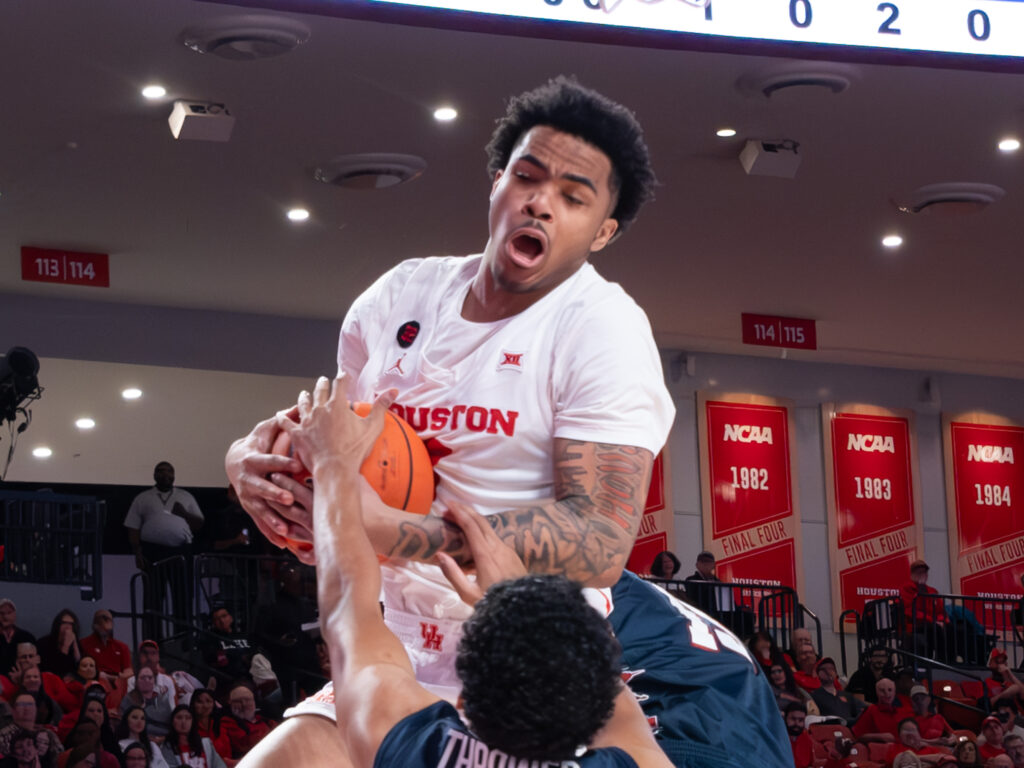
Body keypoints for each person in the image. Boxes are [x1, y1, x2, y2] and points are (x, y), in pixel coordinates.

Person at [267, 381, 674, 768]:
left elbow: (347, 606)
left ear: (461, 699)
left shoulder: (417, 749)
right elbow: (615, 702)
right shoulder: (632, 754)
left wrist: (333, 462)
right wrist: (517, 606)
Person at [900, 560, 948, 659]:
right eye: (919, 572)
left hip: (931, 624)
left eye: (924, 572)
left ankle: (949, 662)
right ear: (913, 574)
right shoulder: (907, 589)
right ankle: (941, 662)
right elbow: (911, 611)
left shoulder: (932, 591)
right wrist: (933, 621)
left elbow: (941, 611)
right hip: (915, 625)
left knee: (951, 628)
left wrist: (942, 620)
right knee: (935, 628)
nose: (922, 575)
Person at [159, 706, 225, 768]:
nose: (183, 722)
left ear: (193, 722)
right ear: (172, 722)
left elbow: (219, 765)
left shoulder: (206, 743)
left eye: (188, 718)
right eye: (179, 718)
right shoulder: (167, 747)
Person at [79, 612, 132, 687]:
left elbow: (128, 670)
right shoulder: (83, 644)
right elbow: (81, 669)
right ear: (94, 624)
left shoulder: (122, 646)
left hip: (118, 682)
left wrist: (118, 678)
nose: (104, 622)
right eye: (101, 619)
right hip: (95, 682)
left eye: (107, 619)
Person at [853, 678, 914, 743]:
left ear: (894, 692)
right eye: (882, 690)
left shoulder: (902, 711)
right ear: (877, 692)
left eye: (890, 690)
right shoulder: (872, 710)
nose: (887, 694)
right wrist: (880, 737)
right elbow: (858, 738)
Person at [119, 668, 172, 739]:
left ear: (154, 681)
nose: (146, 680)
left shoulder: (162, 700)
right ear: (136, 681)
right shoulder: (129, 700)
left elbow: (169, 725)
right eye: (142, 678)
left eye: (150, 678)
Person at [811, 657, 866, 724]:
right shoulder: (814, 696)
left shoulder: (847, 695)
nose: (828, 671)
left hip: (848, 729)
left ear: (836, 673)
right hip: (829, 730)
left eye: (831, 668)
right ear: (818, 674)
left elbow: (863, 709)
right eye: (824, 669)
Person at [125, 642, 175, 713]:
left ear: (158, 657)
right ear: (139, 658)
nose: (149, 657)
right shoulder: (132, 680)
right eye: (145, 653)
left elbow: (172, 708)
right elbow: (133, 708)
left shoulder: (167, 680)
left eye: (153, 653)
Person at [881, 718, 955, 766]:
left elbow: (942, 759)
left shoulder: (930, 749)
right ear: (900, 736)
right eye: (905, 730)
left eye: (912, 730)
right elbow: (892, 762)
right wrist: (929, 758)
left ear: (919, 734)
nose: (909, 733)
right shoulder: (894, 748)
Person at [187, 690, 232, 767]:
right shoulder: (188, 727)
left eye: (208, 701)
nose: (205, 705)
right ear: (193, 704)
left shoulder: (222, 725)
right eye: (200, 702)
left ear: (213, 704)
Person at [35, 611, 82, 680]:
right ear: (57, 625)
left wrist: (74, 643)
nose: (67, 627)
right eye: (64, 623)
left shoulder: (77, 644)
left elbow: (79, 664)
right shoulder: (43, 643)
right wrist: (65, 646)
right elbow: (56, 669)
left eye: (71, 624)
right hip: (49, 680)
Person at [0, 601, 36, 678]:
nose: (5, 616)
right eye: (1, 613)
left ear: (15, 615)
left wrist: (23, 675)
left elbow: (35, 663)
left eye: (9, 613)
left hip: (24, 680)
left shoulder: (26, 637)